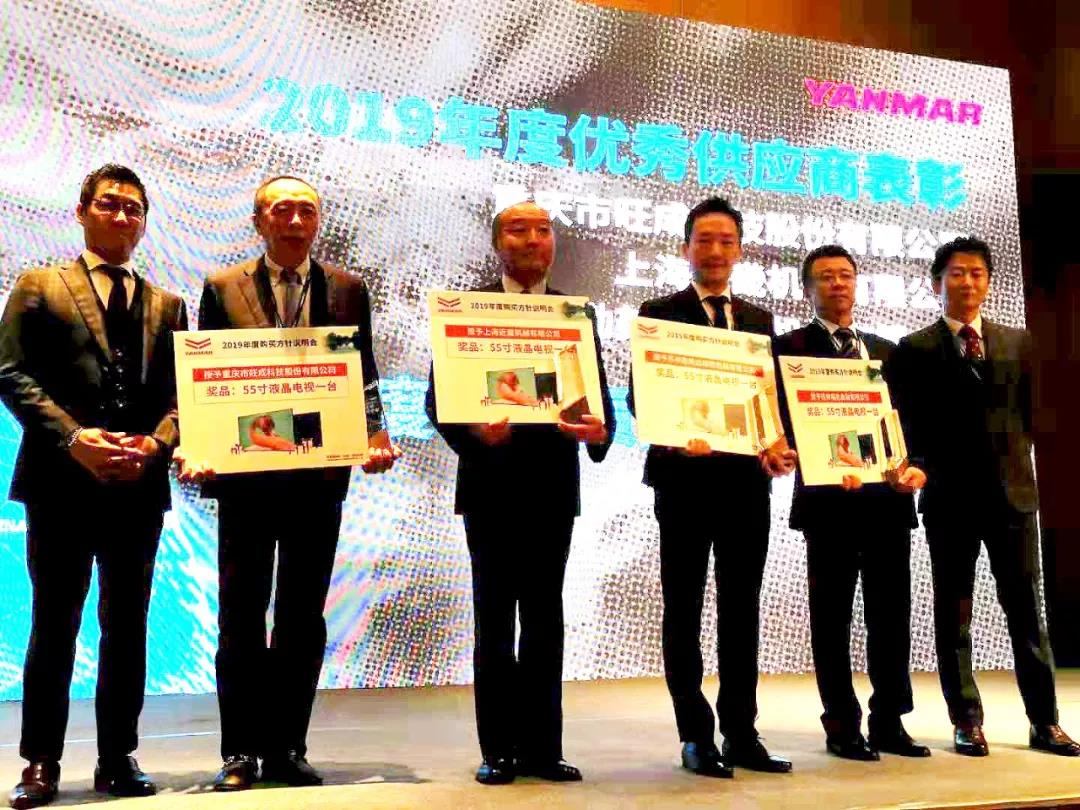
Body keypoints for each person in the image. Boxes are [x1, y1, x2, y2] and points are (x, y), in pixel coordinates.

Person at [175, 175, 401, 791]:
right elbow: (205, 378)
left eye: (306, 211)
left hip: (317, 476)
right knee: (240, 616)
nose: (295, 221)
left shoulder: (348, 289)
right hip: (246, 478)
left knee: (303, 618)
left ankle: (287, 748)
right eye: (282, 210)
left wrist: (375, 432)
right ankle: (239, 752)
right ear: (259, 221)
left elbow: (364, 373)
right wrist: (198, 443)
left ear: (318, 222)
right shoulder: (222, 287)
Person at [0, 164, 187, 809]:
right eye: (110, 204)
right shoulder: (39, 285)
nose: (122, 216)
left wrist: (157, 444)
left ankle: (117, 757)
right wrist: (74, 438)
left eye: (134, 208)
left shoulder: (168, 304)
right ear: (82, 212)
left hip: (137, 487)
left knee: (128, 626)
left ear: (145, 222)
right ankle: (39, 762)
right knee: (53, 625)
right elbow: (10, 372)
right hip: (60, 484)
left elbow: (182, 395)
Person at [425, 201, 615, 785]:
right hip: (490, 486)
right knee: (494, 621)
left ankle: (543, 748)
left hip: (552, 488)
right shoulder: (469, 311)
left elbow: (599, 405)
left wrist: (600, 433)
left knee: (544, 622)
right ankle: (498, 748)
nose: (533, 239)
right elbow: (437, 401)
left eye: (543, 230)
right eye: (518, 230)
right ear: (497, 243)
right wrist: (474, 434)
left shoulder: (574, 315)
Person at [886, 237, 1080, 758]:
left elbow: (1036, 417)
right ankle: (966, 721)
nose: (967, 282)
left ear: (988, 282)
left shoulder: (1018, 342)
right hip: (948, 500)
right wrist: (915, 465)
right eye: (956, 273)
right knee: (954, 616)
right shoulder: (914, 349)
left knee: (1027, 615)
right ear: (936, 283)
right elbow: (905, 423)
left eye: (976, 273)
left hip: (1013, 499)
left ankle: (1045, 721)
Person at [628, 197, 791, 778]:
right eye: (704, 240)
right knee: (684, 608)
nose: (715, 250)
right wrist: (675, 437)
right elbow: (641, 398)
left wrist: (775, 445)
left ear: (740, 250)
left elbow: (767, 401)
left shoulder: (758, 320)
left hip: (746, 486)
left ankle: (741, 732)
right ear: (685, 248)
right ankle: (695, 736)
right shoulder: (659, 312)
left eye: (726, 241)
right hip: (683, 484)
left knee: (741, 610)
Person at [771, 244, 930, 761]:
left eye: (845, 275)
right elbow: (780, 418)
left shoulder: (886, 351)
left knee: (891, 616)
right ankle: (841, 724)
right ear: (807, 288)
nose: (837, 284)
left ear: (857, 284)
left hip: (886, 501)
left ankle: (890, 720)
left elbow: (908, 422)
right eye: (825, 277)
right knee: (832, 618)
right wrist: (806, 453)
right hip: (828, 504)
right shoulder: (789, 349)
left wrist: (913, 465)